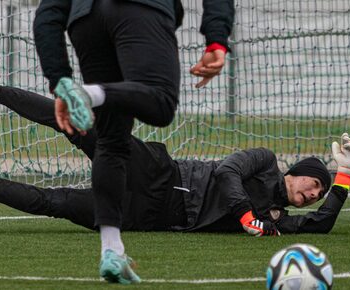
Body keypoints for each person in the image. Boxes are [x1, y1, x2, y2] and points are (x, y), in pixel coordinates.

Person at [0, 62, 350, 239]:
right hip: (157, 171)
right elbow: (228, 171)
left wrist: (343, 175)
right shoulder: (264, 161)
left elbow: (322, 224)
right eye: (314, 183)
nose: (312, 195)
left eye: (316, 194)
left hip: (148, 215)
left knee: (53, 203)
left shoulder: (275, 220)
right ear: (295, 171)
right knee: (75, 124)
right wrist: (246, 214)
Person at [32, 0, 234, 284]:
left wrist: (60, 79)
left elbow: (48, 13)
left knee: (112, 140)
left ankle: (112, 251)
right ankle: (91, 94)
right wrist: (216, 41)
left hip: (85, 22)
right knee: (161, 102)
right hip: (140, 11)